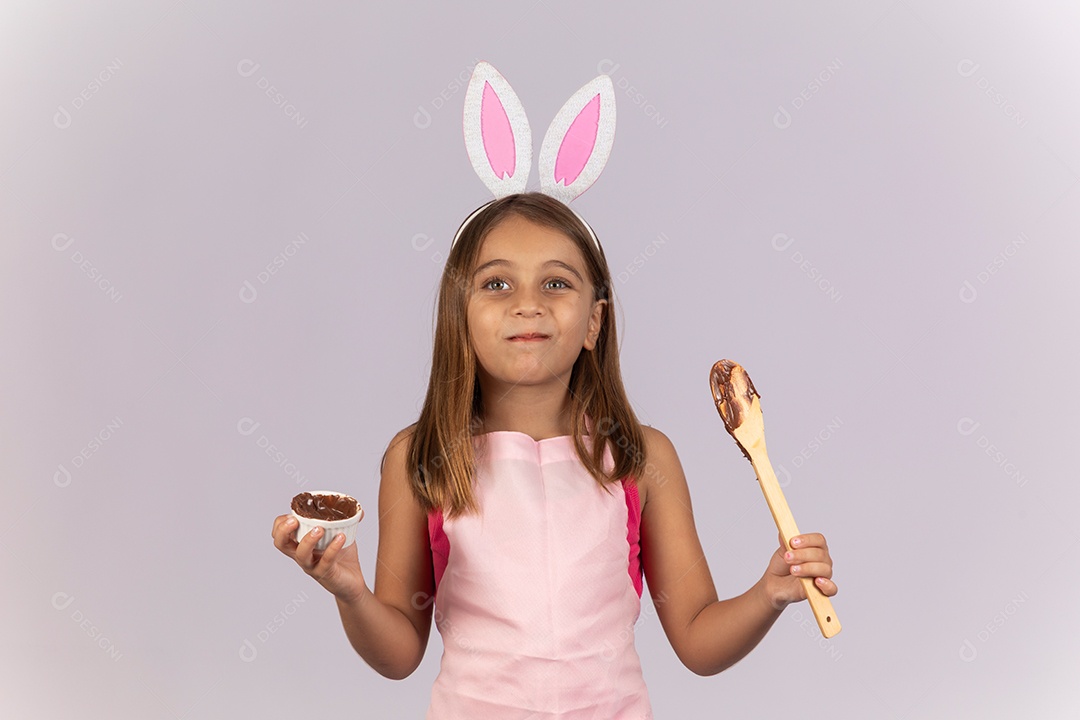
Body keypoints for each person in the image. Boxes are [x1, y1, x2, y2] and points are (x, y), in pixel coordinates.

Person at [271, 191, 839, 718]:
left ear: (594, 320)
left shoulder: (644, 459)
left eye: (556, 284)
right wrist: (350, 592)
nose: (527, 306)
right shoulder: (422, 458)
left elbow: (697, 638)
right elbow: (397, 653)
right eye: (496, 285)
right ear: (459, 315)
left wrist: (770, 593)